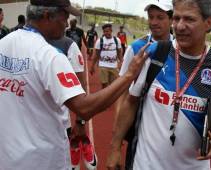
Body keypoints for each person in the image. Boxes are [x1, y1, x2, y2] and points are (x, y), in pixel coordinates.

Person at [0, 0, 148, 169]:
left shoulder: (3, 43)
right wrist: (129, 75)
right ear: (47, 16)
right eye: (65, 16)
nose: (67, 23)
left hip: (6, 155)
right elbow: (85, 108)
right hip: (42, 159)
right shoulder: (49, 56)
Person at [107, 0, 211, 169]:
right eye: (176, 18)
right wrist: (115, 147)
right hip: (145, 164)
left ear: (208, 23)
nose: (180, 26)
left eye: (189, 19)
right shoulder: (154, 53)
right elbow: (131, 102)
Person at [48, 36, 97, 170]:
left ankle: (77, 143)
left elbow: (80, 85)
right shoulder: (15, 43)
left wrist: (80, 122)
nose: (67, 22)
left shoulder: (68, 44)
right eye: (64, 16)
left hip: (59, 121)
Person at [90, 24, 122, 88]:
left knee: (113, 84)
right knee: (104, 84)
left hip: (114, 65)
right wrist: (92, 66)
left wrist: (121, 62)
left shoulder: (117, 40)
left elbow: (119, 52)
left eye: (107, 31)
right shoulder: (100, 41)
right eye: (104, 31)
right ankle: (104, 97)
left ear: (111, 31)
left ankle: (110, 97)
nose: (106, 33)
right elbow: (96, 54)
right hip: (103, 65)